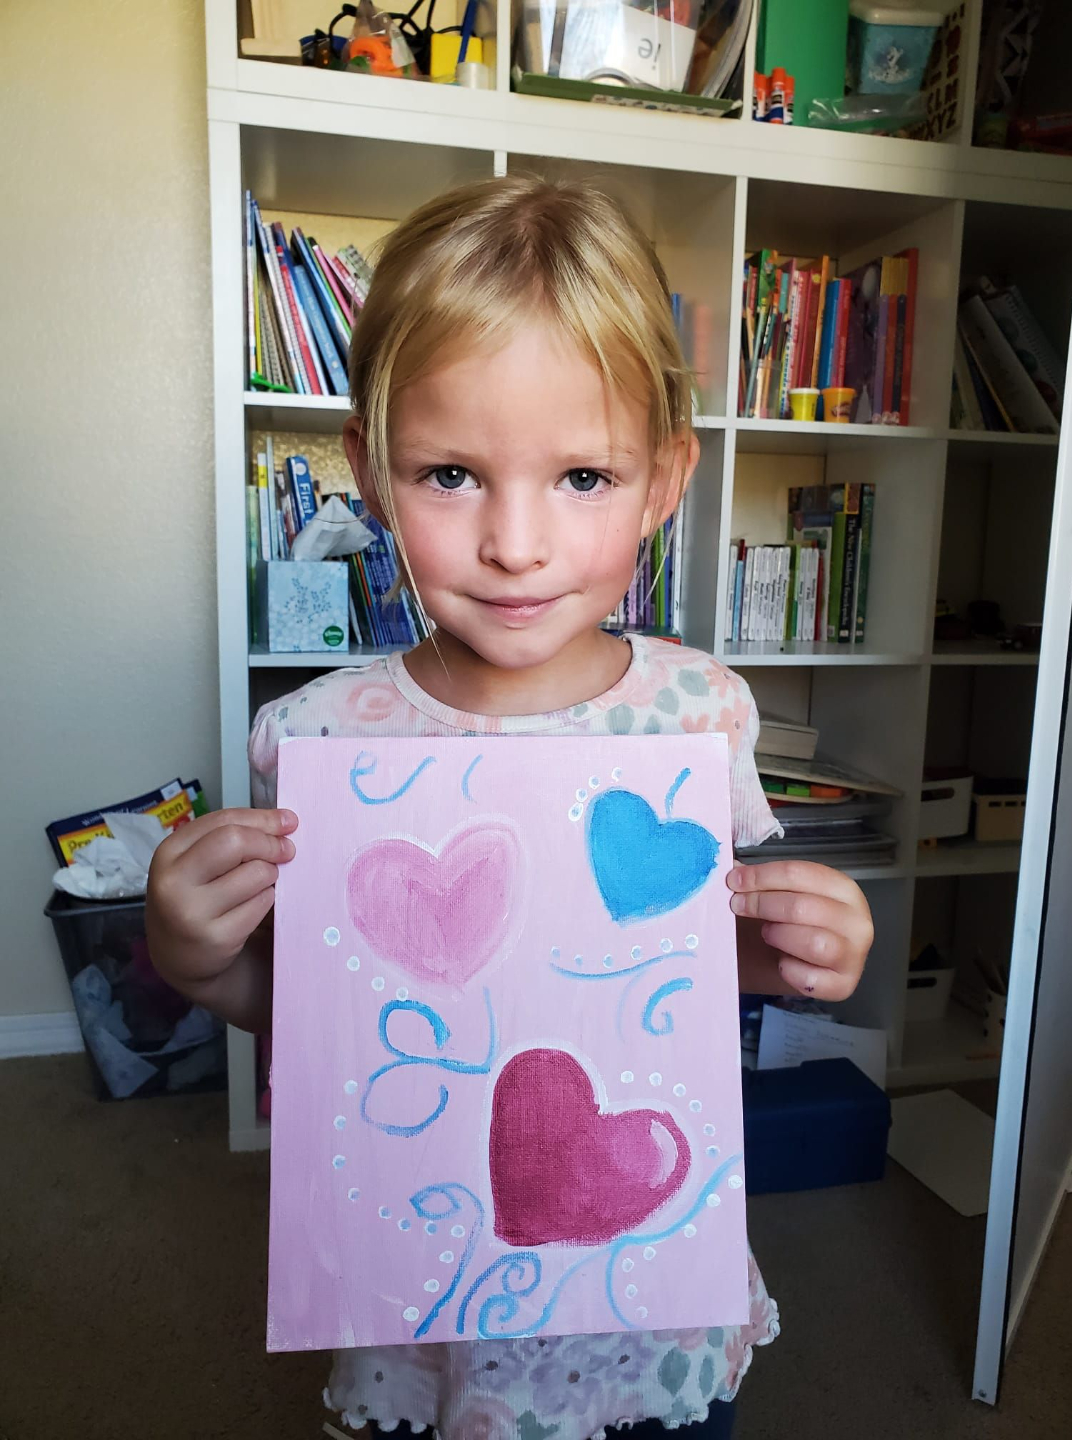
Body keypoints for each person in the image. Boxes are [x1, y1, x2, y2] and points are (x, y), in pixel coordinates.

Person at [147, 175, 873, 1439]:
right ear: (371, 473)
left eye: (584, 476)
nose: (517, 542)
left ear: (664, 480)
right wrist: (192, 957)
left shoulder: (697, 714)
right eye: (452, 474)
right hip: (428, 1310)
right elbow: (325, 1020)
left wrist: (805, 952)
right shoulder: (320, 737)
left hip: (647, 1308)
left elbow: (698, 968)